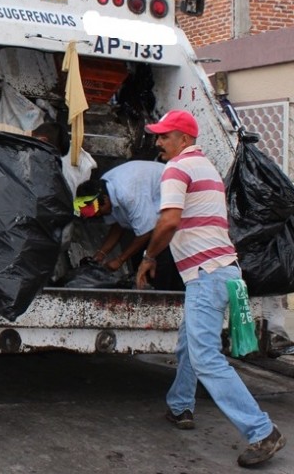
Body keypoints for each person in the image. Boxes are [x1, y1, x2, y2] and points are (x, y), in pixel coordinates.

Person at [136, 109, 285, 468]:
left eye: (164, 136)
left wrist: (148, 256)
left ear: (183, 139)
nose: (158, 142)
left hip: (205, 274)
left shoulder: (177, 169)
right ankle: (180, 406)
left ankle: (262, 431)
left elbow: (169, 220)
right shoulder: (208, 169)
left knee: (205, 357)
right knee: (191, 344)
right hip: (224, 271)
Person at [73, 161, 184, 291]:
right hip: (153, 215)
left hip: (176, 213)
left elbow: (146, 231)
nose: (97, 215)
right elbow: (118, 225)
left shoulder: (127, 194)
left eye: (97, 211)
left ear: (105, 199)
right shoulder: (104, 188)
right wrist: (101, 254)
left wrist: (119, 260)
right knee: (139, 262)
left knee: (160, 265)